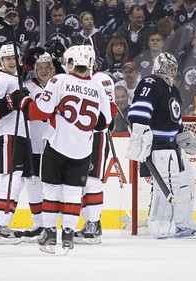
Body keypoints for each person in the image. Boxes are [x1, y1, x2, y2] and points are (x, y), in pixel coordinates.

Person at [16, 45, 112, 254]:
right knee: (73, 192)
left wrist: (24, 102)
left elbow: (41, 110)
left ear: (70, 63)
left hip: (57, 145)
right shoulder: (98, 86)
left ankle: (51, 234)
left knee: (51, 190)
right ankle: (68, 234)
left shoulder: (59, 80)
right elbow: (104, 124)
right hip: (83, 150)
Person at [126, 52, 196, 238]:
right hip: (158, 145)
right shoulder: (151, 83)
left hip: (173, 146)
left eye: (174, 67)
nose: (172, 70)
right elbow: (138, 113)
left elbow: (175, 119)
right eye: (169, 67)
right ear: (160, 66)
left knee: (186, 182)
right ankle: (160, 224)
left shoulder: (173, 89)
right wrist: (140, 137)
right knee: (166, 186)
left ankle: (182, 221)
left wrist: (183, 137)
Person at [0, 44, 29, 244]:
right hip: (7, 134)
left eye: (14, 58)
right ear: (2, 60)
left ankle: (1, 221)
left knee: (18, 179)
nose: (11, 61)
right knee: (11, 178)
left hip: (18, 135)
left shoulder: (15, 78)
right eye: (7, 58)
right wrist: (11, 101)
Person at [73, 68, 116, 244]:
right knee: (80, 181)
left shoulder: (103, 79)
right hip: (76, 135)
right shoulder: (70, 79)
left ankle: (94, 223)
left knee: (92, 179)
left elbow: (110, 113)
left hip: (97, 134)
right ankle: (88, 223)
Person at [21, 51, 55, 242]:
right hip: (32, 144)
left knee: (51, 186)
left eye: (47, 68)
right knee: (32, 185)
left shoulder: (58, 85)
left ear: (52, 69)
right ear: (35, 70)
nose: (43, 71)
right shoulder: (27, 86)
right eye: (40, 68)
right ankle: (38, 224)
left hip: (53, 144)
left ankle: (50, 225)